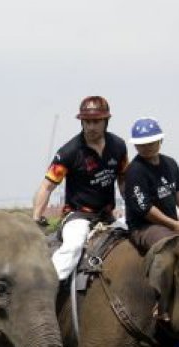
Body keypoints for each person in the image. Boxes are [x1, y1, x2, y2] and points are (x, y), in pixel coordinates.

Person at [31, 96, 128, 281]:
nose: (91, 127)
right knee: (73, 247)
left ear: (106, 121)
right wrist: (36, 218)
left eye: (96, 121)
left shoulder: (118, 146)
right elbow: (47, 186)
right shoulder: (69, 151)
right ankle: (45, 287)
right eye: (87, 122)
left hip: (107, 216)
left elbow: (123, 180)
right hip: (78, 216)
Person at [125, 117, 179, 253]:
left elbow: (177, 193)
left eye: (151, 143)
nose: (146, 147)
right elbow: (146, 209)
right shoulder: (135, 170)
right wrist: (174, 224)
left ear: (160, 141)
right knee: (170, 247)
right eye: (141, 144)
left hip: (170, 224)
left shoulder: (171, 163)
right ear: (135, 145)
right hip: (145, 227)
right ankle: (157, 275)